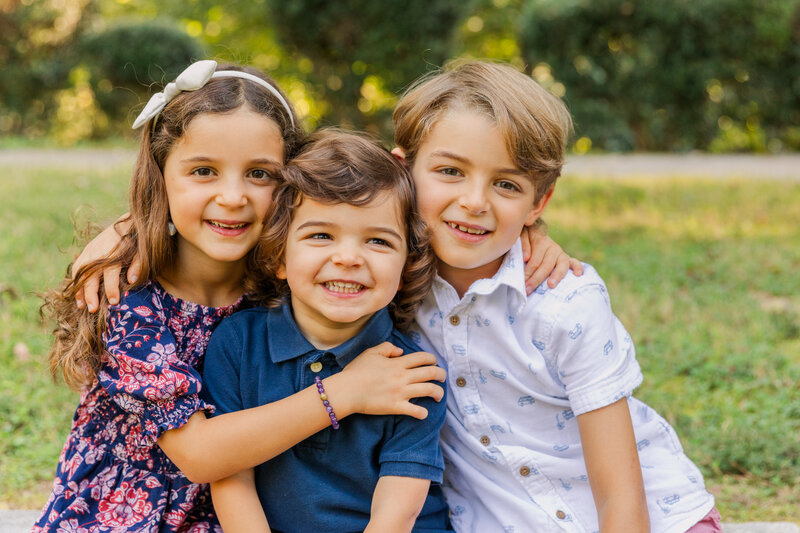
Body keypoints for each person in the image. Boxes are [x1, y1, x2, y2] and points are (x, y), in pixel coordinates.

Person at [33, 61, 448, 533]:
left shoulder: (288, 280)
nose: (232, 197)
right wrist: (347, 391)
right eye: (204, 170)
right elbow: (200, 455)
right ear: (161, 175)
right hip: (125, 515)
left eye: (260, 174)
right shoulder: (128, 297)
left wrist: (532, 234)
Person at [390, 60, 721, 533]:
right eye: (450, 171)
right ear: (402, 170)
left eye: (507, 184)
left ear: (538, 203)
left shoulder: (565, 303)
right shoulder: (380, 284)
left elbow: (621, 497)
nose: (475, 201)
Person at [203, 129, 452, 532]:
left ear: (407, 269)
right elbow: (232, 476)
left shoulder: (411, 375)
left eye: (378, 241)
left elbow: (397, 514)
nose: (349, 257)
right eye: (321, 235)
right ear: (279, 256)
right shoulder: (237, 344)